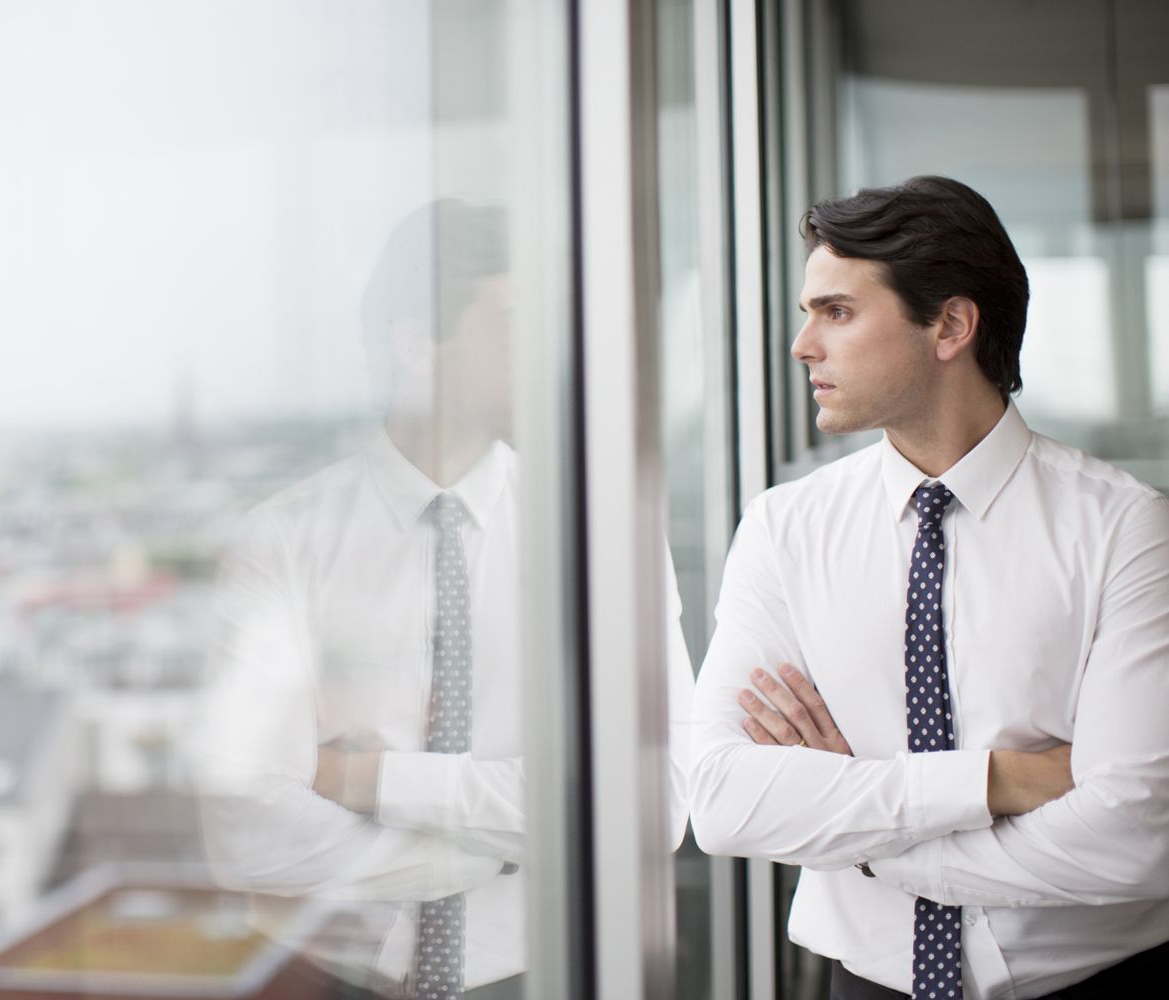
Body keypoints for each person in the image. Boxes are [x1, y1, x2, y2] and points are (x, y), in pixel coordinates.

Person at [193, 199, 696, 999]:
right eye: (513, 321)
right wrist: (508, 847)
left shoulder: (604, 537)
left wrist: (375, 783)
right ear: (419, 344)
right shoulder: (283, 541)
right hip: (341, 979)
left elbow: (656, 804)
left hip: (550, 972)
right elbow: (244, 828)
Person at [689, 175, 1169, 999]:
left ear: (950, 324)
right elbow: (724, 800)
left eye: (836, 312)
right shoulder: (783, 529)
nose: (803, 344)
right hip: (863, 983)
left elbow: (1136, 838)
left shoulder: (1127, 529)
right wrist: (996, 782)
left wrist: (863, 843)